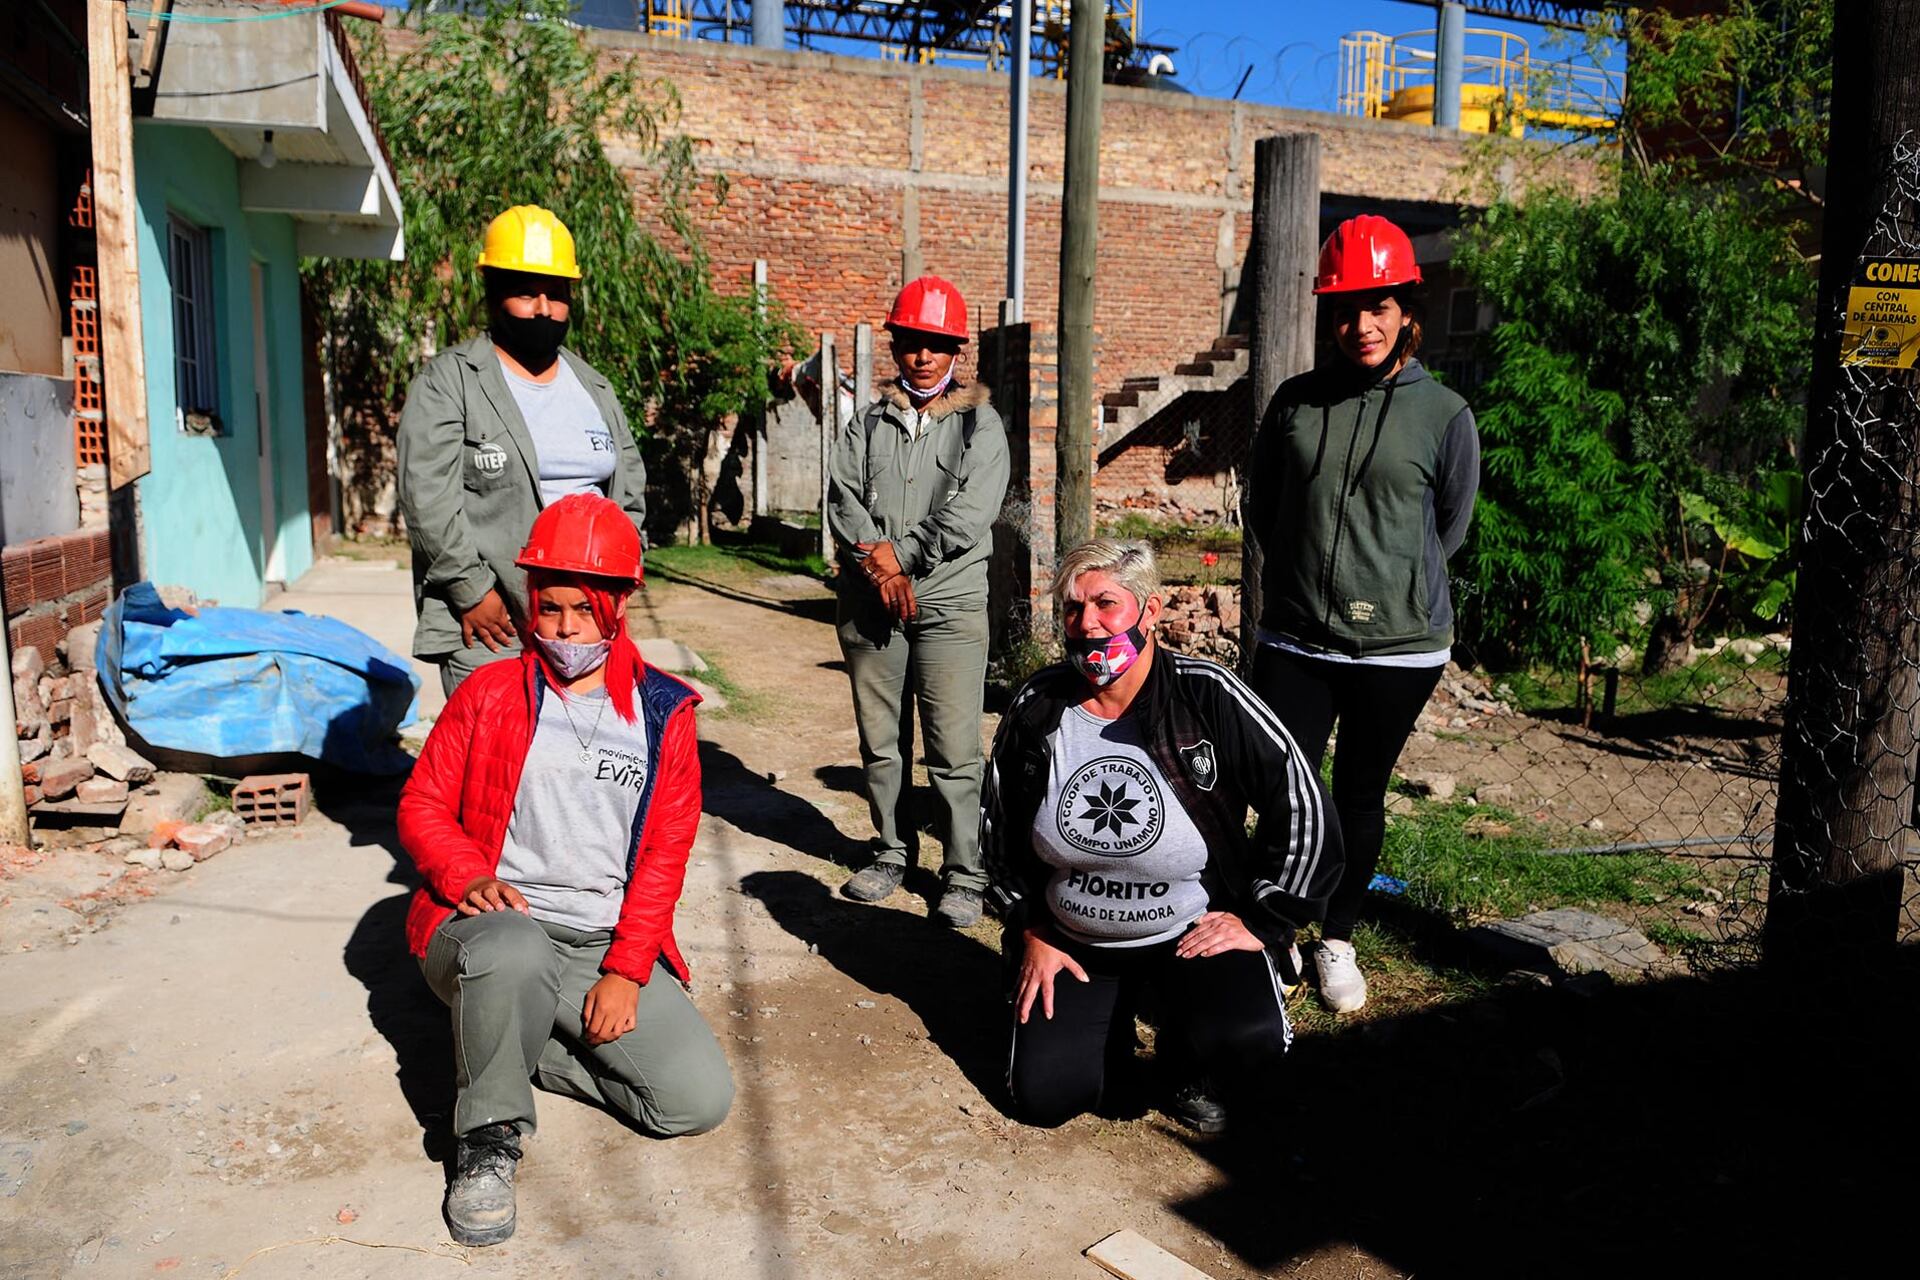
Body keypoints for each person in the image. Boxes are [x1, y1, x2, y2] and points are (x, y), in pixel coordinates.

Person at [396, 494, 731, 1247]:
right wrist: (463, 873)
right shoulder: (488, 694)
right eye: (550, 609)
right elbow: (422, 804)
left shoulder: (664, 713)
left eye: (585, 608)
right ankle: (486, 1141)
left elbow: (664, 854)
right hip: (492, 925)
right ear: (531, 603)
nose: (567, 627)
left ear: (617, 605)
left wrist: (628, 968)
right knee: (513, 951)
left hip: (594, 940)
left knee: (694, 1100)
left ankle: (506, 1044)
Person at [982, 539, 1341, 1133]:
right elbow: (994, 830)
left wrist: (1264, 921)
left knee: (1248, 1044)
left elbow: (1301, 801)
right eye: (1073, 609)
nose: (1088, 624)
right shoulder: (1039, 706)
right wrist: (1031, 929)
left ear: (1148, 612)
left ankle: (1186, 1062)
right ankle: (1106, 1025)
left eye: (1106, 604)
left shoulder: (1205, 695)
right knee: (1048, 1097)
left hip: (1189, 933)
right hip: (1074, 941)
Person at [1246, 213, 1480, 1013]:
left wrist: (1395, 587)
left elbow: (1447, 526)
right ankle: (1276, 929)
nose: (1361, 325)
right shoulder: (1296, 403)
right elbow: (1263, 504)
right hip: (1296, 639)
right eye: (1345, 309)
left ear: (1406, 308)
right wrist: (1303, 580)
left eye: (1377, 306)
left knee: (1359, 795)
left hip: (1398, 648)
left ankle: (1336, 935)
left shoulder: (1445, 415)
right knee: (1283, 787)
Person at [397, 204, 649, 697]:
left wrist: (616, 584)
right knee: (498, 766)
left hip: (588, 625)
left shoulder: (593, 388)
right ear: (492, 295)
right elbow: (427, 498)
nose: (542, 309)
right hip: (493, 623)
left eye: (556, 295)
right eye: (525, 292)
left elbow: (629, 490)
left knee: (575, 765)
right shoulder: (450, 382)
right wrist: (471, 590)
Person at [827, 275, 1011, 928]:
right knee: (882, 743)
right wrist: (874, 568)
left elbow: (970, 516)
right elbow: (841, 497)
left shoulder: (980, 426)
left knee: (954, 747)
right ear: (897, 344)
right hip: (872, 605)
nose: (923, 356)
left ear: (956, 351)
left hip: (950, 607)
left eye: (937, 344)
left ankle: (964, 872)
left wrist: (897, 558)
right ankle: (889, 851)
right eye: (911, 341)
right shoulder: (867, 423)